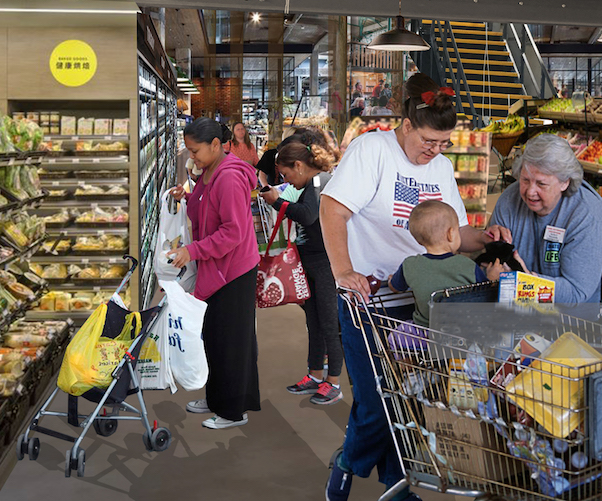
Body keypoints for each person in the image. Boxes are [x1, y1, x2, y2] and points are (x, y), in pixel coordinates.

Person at [322, 78, 486, 501]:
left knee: (409, 399)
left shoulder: (442, 168)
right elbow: (332, 209)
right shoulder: (372, 151)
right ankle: (347, 461)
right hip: (368, 302)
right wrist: (344, 271)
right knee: (377, 400)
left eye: (444, 143)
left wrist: (487, 239)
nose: (435, 151)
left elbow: (457, 234)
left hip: (419, 306)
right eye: (429, 141)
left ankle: (395, 484)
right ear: (408, 124)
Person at [165, 118, 260, 430]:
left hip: (233, 271)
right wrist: (188, 197)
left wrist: (191, 252)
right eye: (190, 152)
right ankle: (219, 396)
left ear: (216, 145)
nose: (192, 157)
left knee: (230, 340)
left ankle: (232, 410)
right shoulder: (210, 172)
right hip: (219, 267)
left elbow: (232, 232)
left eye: (195, 151)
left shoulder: (229, 178)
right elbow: (208, 209)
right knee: (218, 338)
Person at [483, 135, 602, 304]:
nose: (530, 191)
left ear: (564, 182)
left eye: (541, 184)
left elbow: (576, 292)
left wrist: (522, 282)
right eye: (525, 180)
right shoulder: (510, 200)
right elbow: (490, 260)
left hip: (591, 309)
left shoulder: (586, 215)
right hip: (528, 302)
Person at [258, 139, 346, 404]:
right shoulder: (311, 183)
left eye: (286, 174)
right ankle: (315, 374)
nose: (287, 180)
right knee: (314, 321)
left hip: (325, 263)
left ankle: (334, 381)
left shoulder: (320, 182)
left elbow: (308, 215)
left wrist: (277, 202)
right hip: (310, 261)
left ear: (299, 165)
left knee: (330, 322)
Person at [393, 200, 500, 327]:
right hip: (460, 332)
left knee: (395, 337)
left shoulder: (409, 265)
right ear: (451, 234)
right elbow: (485, 294)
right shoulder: (466, 264)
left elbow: (396, 287)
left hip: (423, 331)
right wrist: (492, 278)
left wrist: (391, 280)